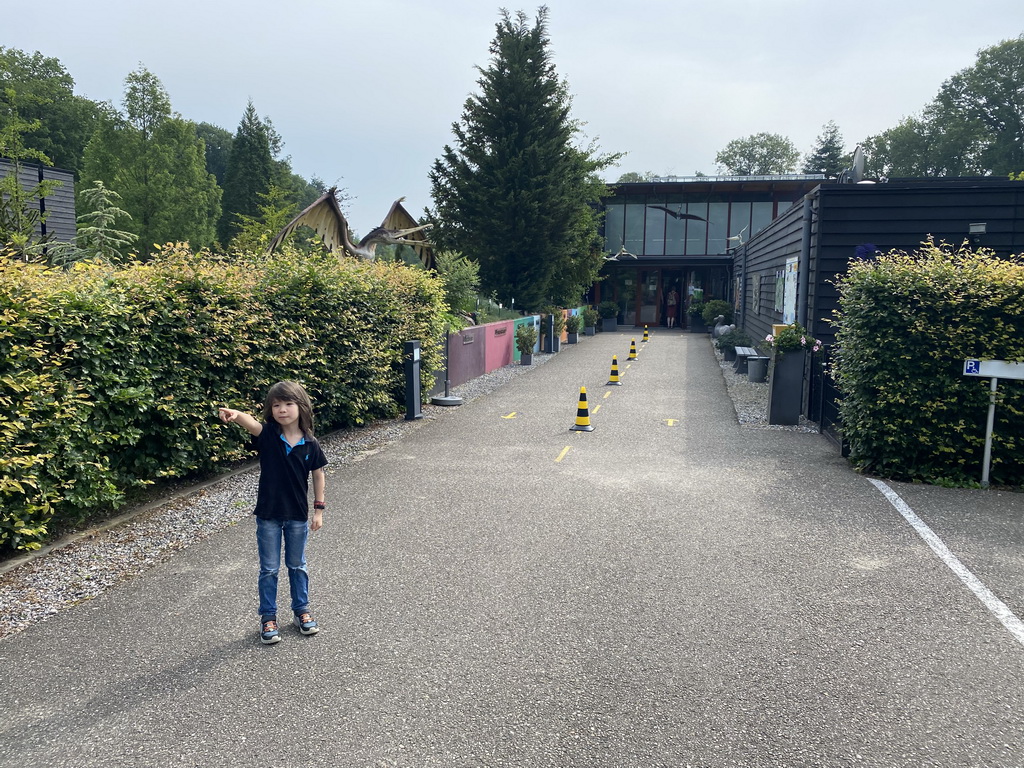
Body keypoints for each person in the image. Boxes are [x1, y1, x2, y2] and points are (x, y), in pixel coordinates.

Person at [219, 381, 328, 645]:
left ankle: (301, 611)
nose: (282, 409)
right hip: (267, 514)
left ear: (301, 407)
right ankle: (268, 617)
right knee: (268, 569)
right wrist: (234, 414)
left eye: (288, 404)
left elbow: (318, 475)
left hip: (297, 516)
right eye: (276, 405)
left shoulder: (310, 443)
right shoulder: (268, 435)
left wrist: (318, 510)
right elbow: (250, 423)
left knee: (297, 565)